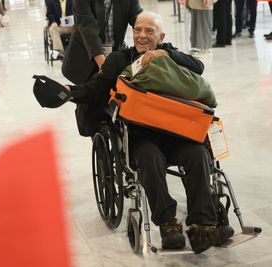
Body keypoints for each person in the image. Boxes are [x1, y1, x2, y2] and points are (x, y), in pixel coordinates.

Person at [34, 11, 233, 254]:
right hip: (141, 136)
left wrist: (164, 53)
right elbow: (97, 89)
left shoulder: (170, 54)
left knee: (198, 155)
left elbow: (198, 67)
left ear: (161, 36)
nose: (141, 35)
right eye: (138, 29)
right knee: (149, 158)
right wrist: (69, 91)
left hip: (177, 133)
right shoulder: (120, 59)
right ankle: (169, 224)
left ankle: (202, 227)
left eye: (149, 31)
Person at [61, 0, 142, 84]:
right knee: (87, 92)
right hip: (85, 57)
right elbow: (88, 27)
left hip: (113, 55)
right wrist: (103, 65)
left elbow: (139, 20)